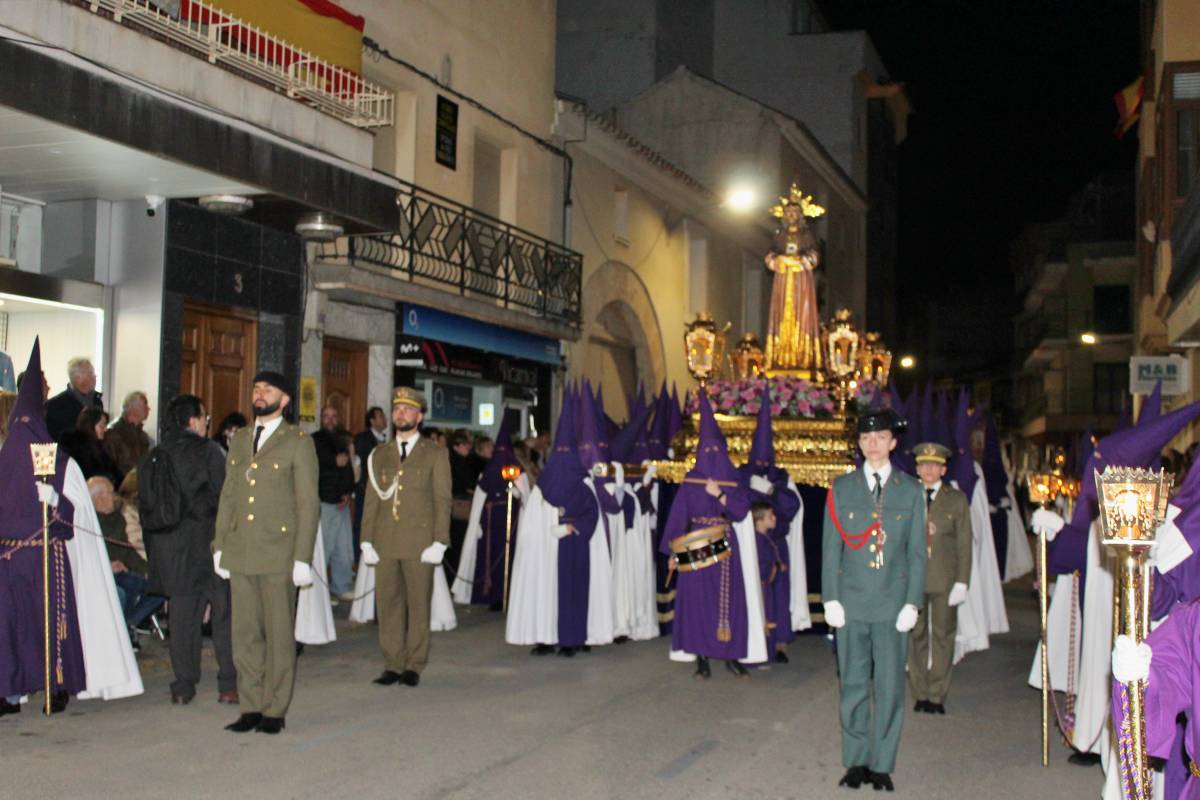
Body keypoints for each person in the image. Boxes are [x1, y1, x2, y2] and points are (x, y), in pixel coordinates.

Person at [822, 407, 927, 792]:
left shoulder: (911, 490)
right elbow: (831, 549)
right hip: (851, 603)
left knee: (889, 688)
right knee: (851, 683)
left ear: (893, 443)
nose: (873, 444)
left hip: (891, 605)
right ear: (859, 444)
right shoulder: (842, 488)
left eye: (880, 437)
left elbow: (917, 552)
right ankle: (856, 761)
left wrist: (912, 602)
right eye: (866, 438)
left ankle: (882, 763)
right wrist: (830, 598)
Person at [213, 371, 318, 734]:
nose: (259, 395)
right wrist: (219, 545)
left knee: (277, 635)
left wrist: (303, 557)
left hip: (279, 553)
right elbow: (229, 495)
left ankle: (275, 708)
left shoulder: (297, 442)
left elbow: (308, 504)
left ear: (285, 399)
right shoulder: (240, 439)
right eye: (256, 389)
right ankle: (251, 706)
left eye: (268, 389)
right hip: (241, 551)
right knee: (244, 635)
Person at [660, 392, 766, 680]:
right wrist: (672, 554)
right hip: (695, 544)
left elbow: (742, 512)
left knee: (727, 602)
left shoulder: (732, 481)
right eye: (705, 451)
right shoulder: (690, 482)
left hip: (725, 547)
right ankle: (701, 657)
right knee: (697, 602)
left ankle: (731, 655)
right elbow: (678, 519)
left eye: (715, 451)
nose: (710, 456)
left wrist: (719, 494)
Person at [144, 394, 237, 706]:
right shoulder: (209, 451)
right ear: (195, 420)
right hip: (210, 545)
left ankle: (183, 685)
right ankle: (228, 684)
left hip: (173, 549)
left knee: (183, 619)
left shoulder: (157, 453)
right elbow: (226, 496)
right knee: (223, 614)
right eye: (205, 418)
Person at [361, 387, 451, 688]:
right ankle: (392, 663)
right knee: (388, 604)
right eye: (397, 409)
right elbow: (372, 498)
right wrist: (366, 540)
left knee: (418, 605)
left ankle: (414, 663)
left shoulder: (434, 454)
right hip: (386, 540)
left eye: (407, 409)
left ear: (419, 416)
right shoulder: (380, 455)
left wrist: (440, 541)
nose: (401, 414)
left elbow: (442, 500)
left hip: (419, 543)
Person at [906, 442, 972, 715]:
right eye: (923, 465)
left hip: (945, 579)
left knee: (943, 636)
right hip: (913, 578)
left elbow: (965, 543)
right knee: (915, 635)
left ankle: (937, 694)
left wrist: (962, 581)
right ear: (917, 468)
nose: (928, 470)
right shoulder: (908, 495)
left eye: (934, 465)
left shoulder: (955, 500)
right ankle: (920, 692)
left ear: (943, 469)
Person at [451, 415, 529, 610]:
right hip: (489, 520)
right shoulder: (489, 469)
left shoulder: (513, 468)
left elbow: (525, 494)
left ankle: (506, 594)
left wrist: (518, 494)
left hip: (509, 521)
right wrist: (476, 522)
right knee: (490, 556)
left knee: (506, 555)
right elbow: (479, 497)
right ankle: (491, 594)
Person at [88, 477, 163, 648]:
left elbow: (128, 552)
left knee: (159, 587)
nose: (114, 497)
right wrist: (108, 566)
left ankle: (128, 624)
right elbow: (88, 555)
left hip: (122, 571)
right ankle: (120, 635)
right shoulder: (88, 523)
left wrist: (148, 570)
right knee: (120, 593)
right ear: (98, 498)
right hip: (101, 574)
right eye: (110, 493)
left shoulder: (117, 519)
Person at [311, 404, 356, 602]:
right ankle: (318, 592)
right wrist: (333, 461)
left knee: (344, 549)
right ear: (321, 419)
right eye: (326, 416)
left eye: (333, 416)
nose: (329, 419)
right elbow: (317, 466)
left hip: (342, 502)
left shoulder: (343, 440)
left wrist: (347, 493)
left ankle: (341, 586)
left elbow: (347, 470)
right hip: (326, 502)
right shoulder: (314, 440)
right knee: (324, 548)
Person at [353, 406, 388, 557]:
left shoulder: (385, 439)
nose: (384, 418)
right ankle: (359, 558)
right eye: (380, 416)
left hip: (382, 491)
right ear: (372, 421)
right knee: (362, 524)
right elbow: (359, 465)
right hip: (366, 489)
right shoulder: (363, 439)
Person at [59, 406, 122, 485]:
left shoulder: (99, 445)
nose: (105, 429)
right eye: (102, 426)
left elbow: (113, 470)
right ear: (90, 425)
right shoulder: (75, 446)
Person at [45, 356, 103, 441]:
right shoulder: (55, 406)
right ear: (77, 378)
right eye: (90, 373)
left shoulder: (97, 401)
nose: (94, 376)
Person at [447, 430, 479, 580]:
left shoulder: (462, 462)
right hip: (459, 506)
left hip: (459, 505)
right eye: (465, 445)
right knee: (458, 543)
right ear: (456, 446)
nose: (468, 447)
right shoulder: (456, 463)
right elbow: (463, 484)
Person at [105, 391, 152, 477]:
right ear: (133, 408)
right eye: (145, 405)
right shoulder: (113, 433)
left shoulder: (143, 437)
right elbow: (109, 465)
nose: (148, 409)